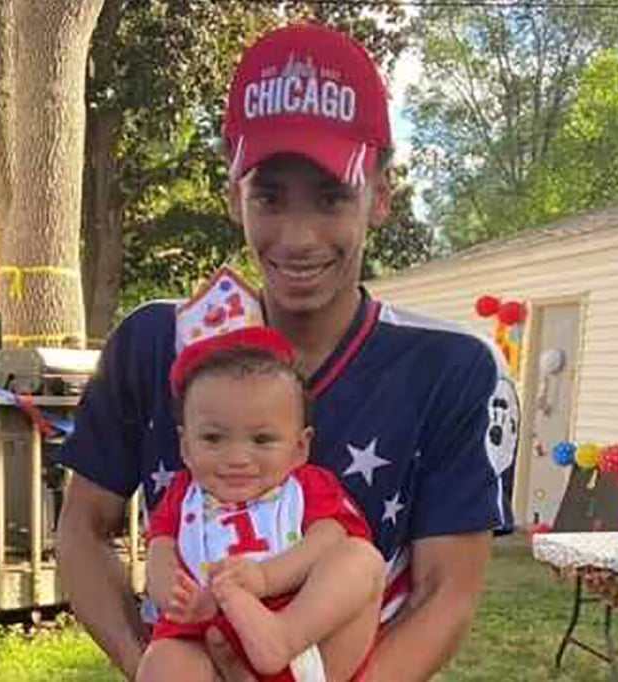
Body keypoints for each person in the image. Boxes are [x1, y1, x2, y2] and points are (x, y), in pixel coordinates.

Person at [57, 22, 520, 681]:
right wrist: (152, 665)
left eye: (332, 197)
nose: (299, 237)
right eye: (270, 197)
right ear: (233, 196)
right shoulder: (156, 341)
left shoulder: (453, 368)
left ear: (380, 197)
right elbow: (82, 527)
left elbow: (446, 592)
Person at [137, 327, 384, 682]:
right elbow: (160, 550)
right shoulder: (182, 493)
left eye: (262, 439)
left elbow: (329, 537)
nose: (238, 458)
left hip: (295, 625)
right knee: (165, 660)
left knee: (362, 558)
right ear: (185, 446)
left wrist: (266, 578)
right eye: (213, 438)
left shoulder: (307, 485)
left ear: (300, 447)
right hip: (201, 629)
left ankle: (285, 636)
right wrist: (175, 598)